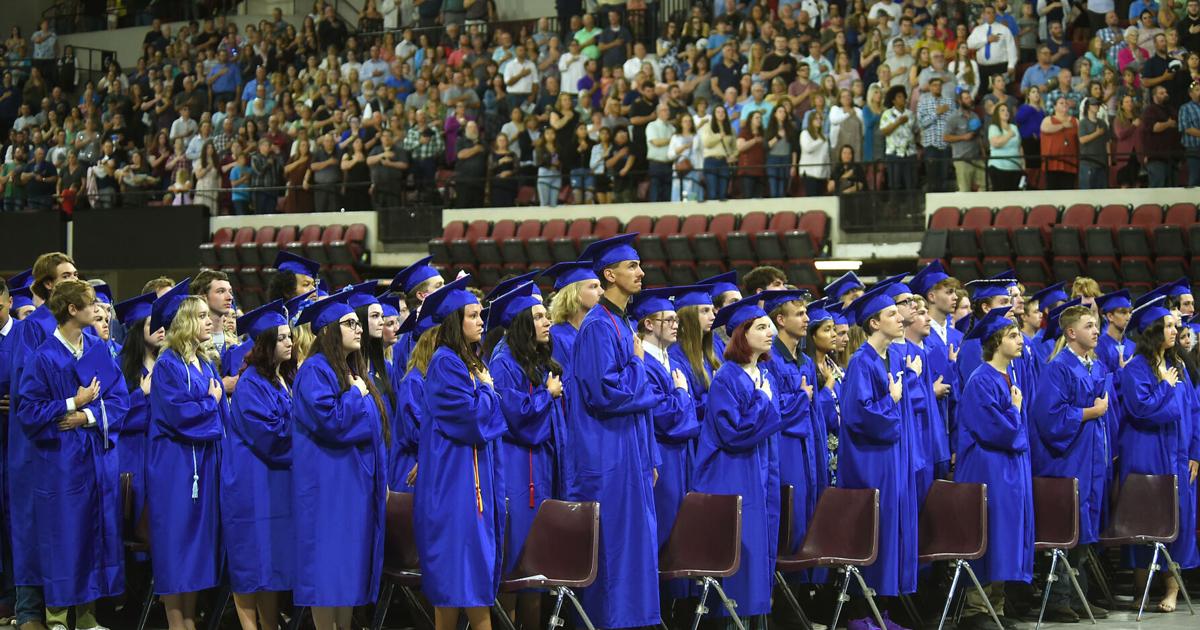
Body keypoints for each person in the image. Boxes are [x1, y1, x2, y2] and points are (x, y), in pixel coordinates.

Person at [17, 278, 127, 630]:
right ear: (71, 309)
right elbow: (28, 413)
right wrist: (71, 402)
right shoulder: (44, 357)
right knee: (65, 536)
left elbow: (120, 400)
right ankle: (57, 617)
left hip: (96, 458)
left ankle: (88, 616)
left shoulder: (98, 348)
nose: (98, 308)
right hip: (60, 463)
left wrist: (88, 415)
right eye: (91, 302)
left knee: (94, 533)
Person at [563, 234, 661, 628]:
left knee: (635, 544)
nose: (640, 272)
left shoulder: (619, 322)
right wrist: (638, 365)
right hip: (607, 453)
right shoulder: (598, 327)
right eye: (632, 266)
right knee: (612, 547)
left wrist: (650, 456)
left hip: (629, 450)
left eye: (639, 265)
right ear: (610, 274)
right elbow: (605, 393)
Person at [291, 291, 388, 630]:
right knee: (326, 571)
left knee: (346, 571)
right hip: (327, 489)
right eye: (349, 323)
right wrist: (357, 395)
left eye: (357, 322)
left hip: (350, 488)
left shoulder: (347, 369)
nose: (358, 328)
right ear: (328, 330)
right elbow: (331, 423)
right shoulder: (315, 371)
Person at [412, 276, 505, 630]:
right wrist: (487, 390)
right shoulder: (446, 362)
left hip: (467, 486)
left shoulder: (464, 361)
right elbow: (471, 420)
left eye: (481, 315)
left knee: (460, 590)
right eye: (472, 315)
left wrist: (484, 390)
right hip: (456, 492)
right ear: (454, 321)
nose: (481, 321)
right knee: (465, 589)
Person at [691, 294, 786, 624]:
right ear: (741, 334)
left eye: (770, 326)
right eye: (761, 327)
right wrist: (762, 399)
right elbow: (733, 433)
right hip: (731, 476)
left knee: (759, 555)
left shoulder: (762, 373)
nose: (770, 332)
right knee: (739, 558)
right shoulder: (727, 378)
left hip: (759, 472)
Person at [146, 281, 226, 630]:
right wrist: (210, 401)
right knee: (176, 544)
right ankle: (178, 623)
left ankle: (190, 618)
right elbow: (179, 415)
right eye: (200, 316)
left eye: (209, 316)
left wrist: (211, 401)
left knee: (197, 546)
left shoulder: (205, 364)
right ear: (183, 322)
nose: (209, 322)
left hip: (202, 463)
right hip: (176, 468)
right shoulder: (168, 365)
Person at [1030, 301, 1115, 622]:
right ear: (1071, 332)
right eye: (1089, 326)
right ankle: (1057, 599)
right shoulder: (1058, 367)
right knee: (1067, 526)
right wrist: (1090, 413)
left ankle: (1078, 597)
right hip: (1067, 459)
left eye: (1096, 326)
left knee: (1086, 529)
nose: (1096, 331)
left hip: (1091, 458)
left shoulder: (1095, 364)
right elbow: (1047, 415)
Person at [8, 252, 79, 630]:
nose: (74, 277)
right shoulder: (33, 327)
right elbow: (29, 389)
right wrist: (70, 401)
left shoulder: (77, 326)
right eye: (66, 274)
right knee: (32, 523)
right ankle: (30, 612)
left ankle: (70, 612)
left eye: (76, 272)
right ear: (48, 285)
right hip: (36, 441)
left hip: (71, 438)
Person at [487, 281, 563, 627]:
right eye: (538, 316)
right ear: (520, 322)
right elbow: (515, 416)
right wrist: (547, 395)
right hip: (518, 472)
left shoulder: (533, 359)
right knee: (515, 564)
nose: (547, 321)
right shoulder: (503, 361)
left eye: (547, 314)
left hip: (539, 469)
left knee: (536, 568)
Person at [1118, 290, 1200, 613]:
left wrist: (1196, 451)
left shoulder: (1178, 364)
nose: (1173, 330)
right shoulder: (1136, 369)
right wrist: (1164, 385)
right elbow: (1143, 411)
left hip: (1179, 456)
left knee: (1178, 521)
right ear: (1153, 331)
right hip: (1145, 453)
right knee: (1143, 521)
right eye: (1167, 326)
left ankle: (1172, 591)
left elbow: (1194, 411)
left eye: (1173, 325)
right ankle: (1142, 590)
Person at [839, 279, 918, 603]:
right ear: (874, 323)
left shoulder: (891, 358)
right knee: (873, 530)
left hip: (891, 457)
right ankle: (861, 615)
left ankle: (883, 613)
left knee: (891, 530)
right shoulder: (862, 361)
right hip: (870, 461)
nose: (900, 318)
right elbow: (859, 414)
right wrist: (893, 400)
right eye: (891, 314)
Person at [955, 307, 1034, 630]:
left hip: (1009, 468)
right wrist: (1015, 411)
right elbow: (998, 431)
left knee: (1006, 533)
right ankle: (977, 609)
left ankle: (996, 607)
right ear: (995, 341)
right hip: (988, 468)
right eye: (1013, 336)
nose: (1020, 341)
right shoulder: (981, 379)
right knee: (987, 531)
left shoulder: (1008, 375)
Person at [222, 300, 296, 630]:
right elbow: (270, 436)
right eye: (282, 338)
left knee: (274, 564)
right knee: (251, 562)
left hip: (275, 483)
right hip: (252, 485)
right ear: (265, 343)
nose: (290, 342)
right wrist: (306, 431)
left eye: (290, 336)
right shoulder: (252, 383)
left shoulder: (282, 379)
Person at [114, 292, 162, 542]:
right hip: (133, 453)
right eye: (152, 324)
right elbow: (114, 414)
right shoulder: (120, 367)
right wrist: (140, 394)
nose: (161, 329)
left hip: (160, 451)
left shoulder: (168, 364)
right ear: (137, 329)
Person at [1095, 290, 1136, 377]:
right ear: (1110, 316)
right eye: (1123, 312)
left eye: (1130, 312)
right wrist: (1122, 371)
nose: (1128, 317)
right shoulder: (1099, 346)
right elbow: (1101, 382)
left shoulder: (1133, 346)